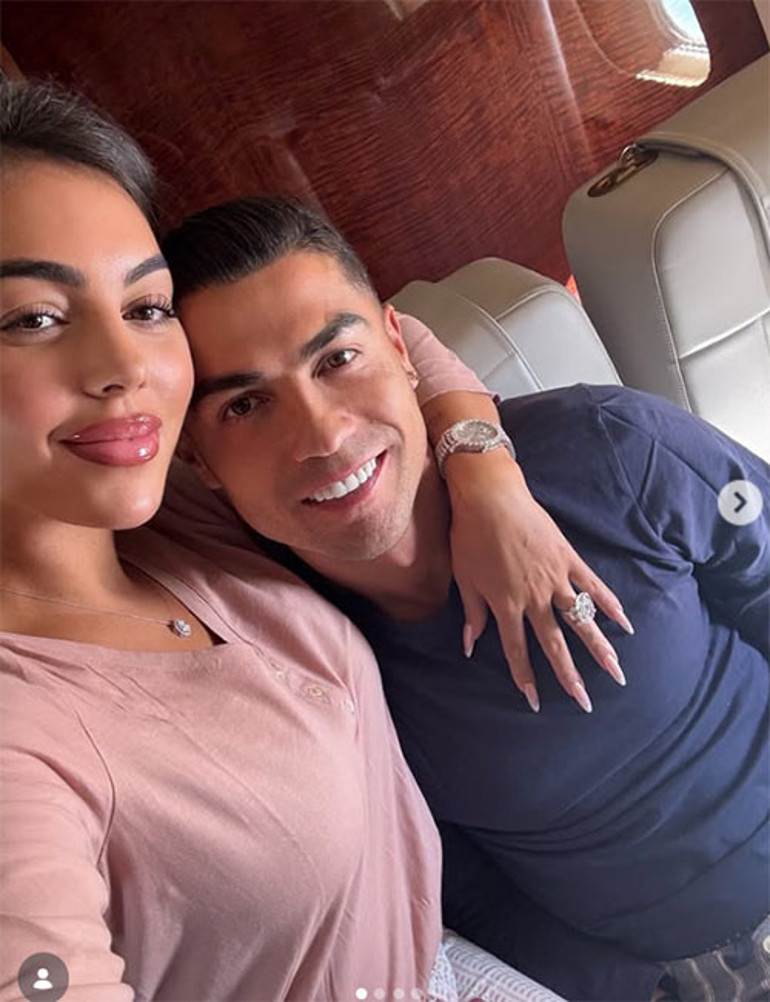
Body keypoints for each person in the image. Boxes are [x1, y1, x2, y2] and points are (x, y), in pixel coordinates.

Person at [0, 78, 638, 1002]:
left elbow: (383, 333)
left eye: (146, 308)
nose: (127, 366)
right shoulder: (24, 737)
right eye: (33, 319)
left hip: (454, 958)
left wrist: (485, 476)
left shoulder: (163, 502)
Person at [166, 195, 770, 1002]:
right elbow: (460, 885)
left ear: (399, 345)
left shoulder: (609, 446)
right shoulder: (307, 674)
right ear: (197, 460)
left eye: (337, 359)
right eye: (244, 405)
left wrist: (485, 467)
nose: (323, 436)